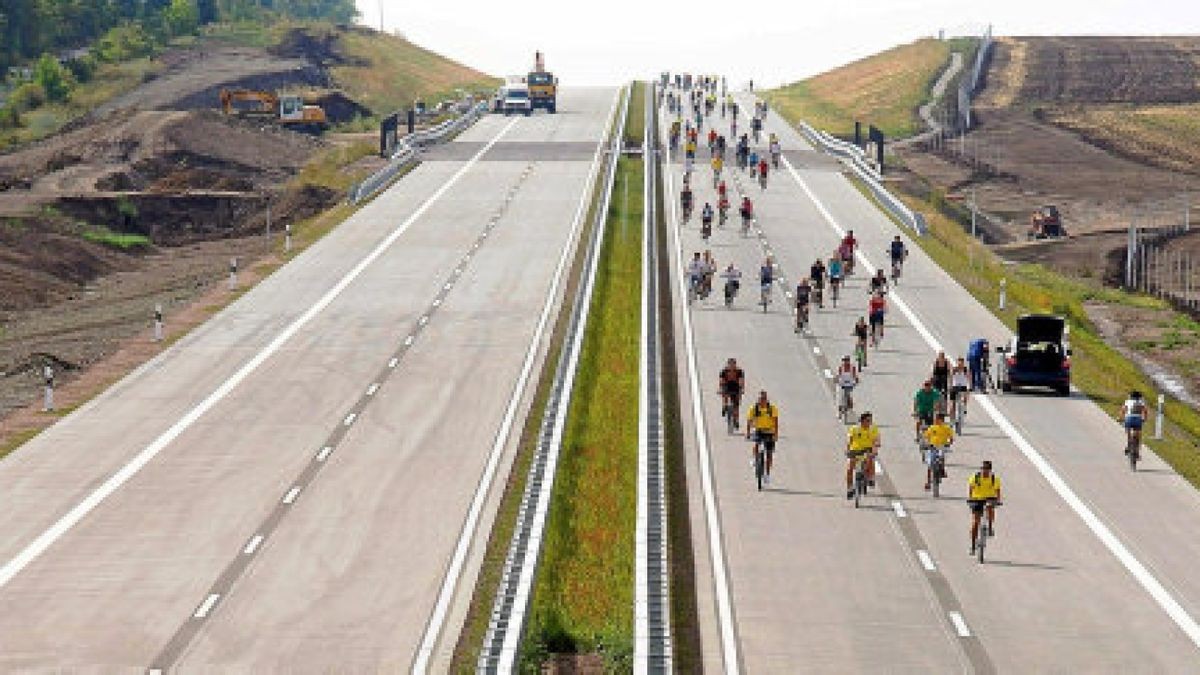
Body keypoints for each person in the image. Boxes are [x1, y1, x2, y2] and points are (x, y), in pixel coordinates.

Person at [968, 461, 1002, 554]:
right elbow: (971, 488)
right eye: (983, 469)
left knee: (990, 509)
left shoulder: (994, 479)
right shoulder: (976, 477)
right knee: (975, 522)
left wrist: (998, 500)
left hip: (990, 498)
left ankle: (990, 527)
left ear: (990, 470)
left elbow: (998, 490)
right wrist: (970, 498)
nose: (984, 471)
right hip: (977, 498)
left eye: (986, 469)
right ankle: (973, 545)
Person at [746, 391, 780, 484]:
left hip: (769, 431)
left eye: (763, 399)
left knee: (769, 454)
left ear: (766, 399)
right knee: (756, 444)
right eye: (760, 399)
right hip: (759, 430)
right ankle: (754, 458)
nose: (761, 401)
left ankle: (767, 475)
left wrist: (776, 434)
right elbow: (749, 421)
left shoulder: (772, 409)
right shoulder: (754, 408)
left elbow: (776, 422)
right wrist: (748, 433)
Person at [846, 411, 880, 498]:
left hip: (867, 449)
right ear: (862, 421)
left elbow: (876, 440)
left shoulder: (873, 429)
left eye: (870, 420)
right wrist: (848, 449)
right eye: (868, 420)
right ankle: (850, 488)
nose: (869, 423)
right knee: (849, 469)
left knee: (871, 459)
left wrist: (875, 448)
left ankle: (870, 478)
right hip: (855, 450)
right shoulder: (855, 428)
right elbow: (850, 439)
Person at [923, 413, 954, 490]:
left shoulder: (946, 428)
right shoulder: (932, 427)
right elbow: (926, 436)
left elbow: (951, 437)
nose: (936, 420)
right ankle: (928, 482)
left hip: (942, 446)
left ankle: (942, 470)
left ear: (942, 420)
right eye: (936, 419)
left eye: (938, 419)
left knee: (941, 457)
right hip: (932, 446)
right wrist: (926, 444)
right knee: (930, 464)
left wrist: (949, 443)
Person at [718, 358, 745, 429]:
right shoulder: (724, 371)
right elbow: (721, 381)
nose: (732, 366)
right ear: (728, 365)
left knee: (736, 405)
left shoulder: (739, 371)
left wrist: (741, 390)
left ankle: (736, 420)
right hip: (727, 385)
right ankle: (724, 406)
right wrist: (721, 389)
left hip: (736, 386)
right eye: (730, 364)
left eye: (733, 364)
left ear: (735, 365)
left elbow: (741, 381)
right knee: (724, 393)